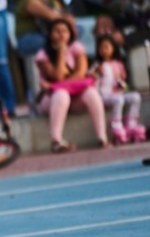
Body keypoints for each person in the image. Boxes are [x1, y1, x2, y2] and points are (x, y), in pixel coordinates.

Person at [35, 18, 109, 152]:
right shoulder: (42, 55)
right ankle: (56, 141)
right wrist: (61, 52)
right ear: (50, 34)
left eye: (64, 31)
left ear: (70, 34)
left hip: (75, 97)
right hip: (51, 100)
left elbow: (81, 74)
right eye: (57, 31)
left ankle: (102, 138)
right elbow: (57, 75)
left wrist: (61, 83)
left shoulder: (77, 48)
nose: (61, 35)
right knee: (62, 94)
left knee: (91, 93)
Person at [14, 0, 77, 109]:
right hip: (28, 39)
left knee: (68, 40)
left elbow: (61, 16)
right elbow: (52, 15)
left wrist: (69, 22)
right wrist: (67, 20)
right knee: (53, 43)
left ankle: (64, 75)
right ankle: (54, 79)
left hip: (43, 37)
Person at [91, 36, 145, 144]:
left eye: (106, 47)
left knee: (135, 97)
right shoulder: (97, 65)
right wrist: (96, 73)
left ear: (113, 49)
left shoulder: (118, 65)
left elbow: (123, 82)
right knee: (118, 100)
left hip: (116, 93)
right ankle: (116, 125)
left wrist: (121, 85)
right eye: (101, 48)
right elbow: (91, 80)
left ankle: (131, 122)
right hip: (103, 95)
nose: (103, 50)